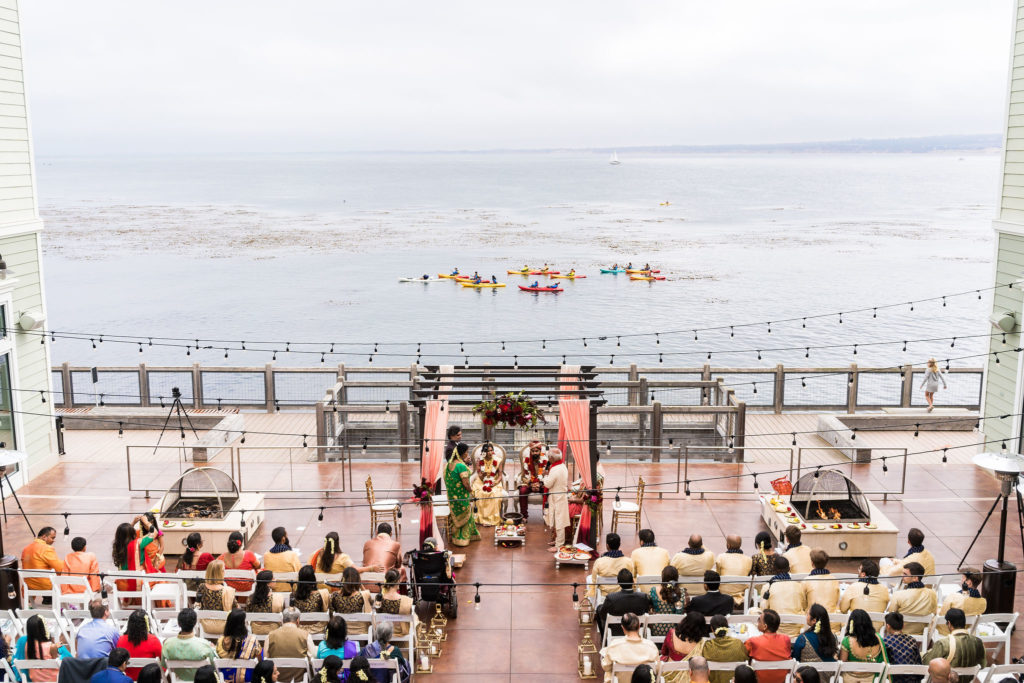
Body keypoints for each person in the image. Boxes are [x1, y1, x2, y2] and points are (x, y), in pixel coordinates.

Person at [923, 609, 985, 683]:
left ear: (949, 623)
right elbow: (983, 665)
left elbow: (927, 663)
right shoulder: (978, 642)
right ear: (964, 623)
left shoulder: (943, 644)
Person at [600, 613, 659, 683]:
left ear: (623, 628)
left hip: (621, 681)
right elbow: (657, 669)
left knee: (608, 672)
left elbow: (606, 666)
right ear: (639, 626)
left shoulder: (615, 645)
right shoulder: (651, 646)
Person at [161, 609, 217, 683]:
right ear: (195, 623)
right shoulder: (204, 645)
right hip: (200, 680)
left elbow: (164, 665)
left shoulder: (168, 644)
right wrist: (213, 648)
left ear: (178, 624)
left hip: (179, 679)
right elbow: (213, 665)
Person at [445, 440, 481, 547]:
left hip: (452, 496)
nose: (467, 453)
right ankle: (462, 539)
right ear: (463, 453)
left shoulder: (449, 464)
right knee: (465, 514)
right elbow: (465, 483)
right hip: (462, 496)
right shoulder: (460, 466)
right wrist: (471, 491)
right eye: (467, 452)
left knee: (456, 515)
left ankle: (456, 537)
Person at [15, 614, 70, 682]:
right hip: (53, 680)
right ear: (44, 629)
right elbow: (56, 664)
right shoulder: (51, 646)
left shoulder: (27, 645)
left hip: (35, 680)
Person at [759, 556, 806, 636]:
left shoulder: (767, 587)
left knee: (753, 611)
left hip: (774, 629)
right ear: (789, 569)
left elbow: (763, 609)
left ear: (774, 569)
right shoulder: (799, 586)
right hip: (795, 630)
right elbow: (804, 605)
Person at [887, 562, 938, 635]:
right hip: (922, 632)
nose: (902, 576)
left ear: (915, 578)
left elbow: (890, 614)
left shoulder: (898, 594)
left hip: (900, 633)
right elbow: (934, 613)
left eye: (905, 574)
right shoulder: (932, 594)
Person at [597, 569, 652, 635]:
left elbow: (603, 615)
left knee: (599, 610)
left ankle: (604, 639)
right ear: (633, 581)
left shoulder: (611, 598)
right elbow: (646, 611)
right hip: (637, 630)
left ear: (618, 583)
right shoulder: (643, 597)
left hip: (616, 631)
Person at [266, 608, 314, 683]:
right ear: (298, 620)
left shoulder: (270, 635)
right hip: (299, 679)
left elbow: (266, 657)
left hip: (277, 679)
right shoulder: (306, 635)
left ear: (282, 619)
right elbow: (312, 659)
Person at [744, 609, 792, 683]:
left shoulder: (753, 641)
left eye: (759, 620)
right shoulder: (786, 639)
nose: (757, 622)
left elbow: (743, 655)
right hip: (781, 680)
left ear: (765, 626)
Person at [839, 609, 886, 683]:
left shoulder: (847, 641)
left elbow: (842, 663)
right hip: (871, 679)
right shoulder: (878, 639)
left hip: (850, 679)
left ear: (852, 624)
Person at [659, 612, 708, 683]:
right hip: (689, 677)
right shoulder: (702, 643)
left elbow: (664, 652)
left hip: (668, 672)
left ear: (685, 622)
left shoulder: (671, 633)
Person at [215, 609, 262, 683]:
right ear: (242, 624)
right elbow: (260, 660)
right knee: (260, 652)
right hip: (246, 678)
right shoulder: (252, 641)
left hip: (225, 677)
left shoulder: (220, 641)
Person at [935, 568, 986, 636]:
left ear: (969, 582)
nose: (961, 580)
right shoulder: (983, 603)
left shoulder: (954, 597)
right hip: (965, 632)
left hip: (946, 631)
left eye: (963, 578)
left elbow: (942, 615)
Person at [839, 559, 890, 626]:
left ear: (863, 574)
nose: (858, 571)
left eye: (859, 569)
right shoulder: (885, 590)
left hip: (855, 630)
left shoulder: (853, 587)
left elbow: (843, 609)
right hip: (875, 632)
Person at [196, 560, 238, 636]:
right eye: (224, 570)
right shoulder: (228, 590)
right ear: (220, 572)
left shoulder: (201, 587)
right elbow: (236, 608)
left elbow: (198, 605)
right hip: (224, 626)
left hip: (206, 626)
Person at [115, 609, 162, 679]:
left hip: (128, 678)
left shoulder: (121, 640)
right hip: (149, 679)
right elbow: (162, 662)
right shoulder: (153, 640)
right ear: (146, 625)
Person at [330, 567, 373, 638]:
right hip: (359, 630)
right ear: (357, 580)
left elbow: (331, 613)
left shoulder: (335, 595)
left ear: (343, 579)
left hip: (340, 630)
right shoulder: (363, 595)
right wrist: (360, 584)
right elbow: (371, 603)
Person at [701, 615, 746, 683]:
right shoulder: (738, 643)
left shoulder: (707, 646)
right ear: (727, 627)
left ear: (712, 629)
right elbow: (745, 659)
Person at [21, 527, 63, 598]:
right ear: (44, 537)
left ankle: (46, 600)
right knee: (64, 578)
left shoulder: (26, 549)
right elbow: (60, 569)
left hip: (29, 585)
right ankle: (50, 599)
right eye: (52, 538)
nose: (53, 541)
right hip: (44, 585)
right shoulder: (47, 549)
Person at [470, 442, 506, 526]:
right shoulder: (479, 461)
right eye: (488, 451)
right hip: (481, 481)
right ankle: (482, 519)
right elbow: (480, 475)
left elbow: (500, 475)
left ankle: (493, 519)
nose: (490, 453)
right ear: (484, 452)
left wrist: (496, 482)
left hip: (494, 480)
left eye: (491, 451)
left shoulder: (498, 460)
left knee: (494, 493)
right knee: (481, 493)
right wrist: (484, 477)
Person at [590, 533, 635, 597]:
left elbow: (594, 581)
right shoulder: (628, 561)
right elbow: (632, 580)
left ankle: (592, 605)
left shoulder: (599, 562)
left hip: (604, 595)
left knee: (589, 579)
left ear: (607, 545)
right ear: (619, 545)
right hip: (622, 595)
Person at [374, 569, 415, 640]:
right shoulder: (406, 600)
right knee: (415, 618)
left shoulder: (379, 599)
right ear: (398, 581)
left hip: (384, 631)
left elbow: (377, 613)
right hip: (400, 631)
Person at [882, 612, 923, 683]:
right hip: (912, 680)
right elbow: (918, 662)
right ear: (903, 626)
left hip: (893, 680)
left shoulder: (885, 641)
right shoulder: (912, 640)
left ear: (888, 626)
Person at [543, 447, 570, 550]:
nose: (548, 458)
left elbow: (548, 484)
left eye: (549, 456)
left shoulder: (555, 469)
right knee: (556, 520)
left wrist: (544, 476)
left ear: (552, 458)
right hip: (559, 497)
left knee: (559, 522)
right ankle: (557, 540)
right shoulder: (562, 466)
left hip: (558, 498)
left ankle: (559, 546)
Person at [646, 566, 685, 636]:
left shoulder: (653, 591)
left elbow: (647, 606)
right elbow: (679, 612)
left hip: (657, 630)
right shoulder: (681, 592)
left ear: (662, 577)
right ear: (676, 578)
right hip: (674, 632)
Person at [715, 535, 752, 608]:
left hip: (723, 592)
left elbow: (717, 576)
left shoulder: (721, 557)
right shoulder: (749, 560)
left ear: (728, 545)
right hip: (740, 593)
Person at [244, 570, 285, 635]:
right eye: (273, 578)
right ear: (268, 583)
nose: (275, 580)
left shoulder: (250, 598)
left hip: (256, 630)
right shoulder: (278, 598)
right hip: (273, 630)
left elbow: (248, 614)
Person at [290, 565, 328, 634]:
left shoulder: (293, 595)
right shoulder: (321, 594)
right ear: (313, 578)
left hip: (299, 628)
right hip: (316, 628)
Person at [803, 549, 840, 618]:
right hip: (832, 620)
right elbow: (836, 601)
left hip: (813, 621)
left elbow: (803, 604)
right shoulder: (834, 580)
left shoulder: (806, 581)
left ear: (812, 563)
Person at [517, 441, 548, 521]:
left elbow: (547, 475)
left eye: (536, 451)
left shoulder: (545, 461)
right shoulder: (526, 461)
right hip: (529, 483)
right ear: (530, 451)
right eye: (533, 451)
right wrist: (530, 484)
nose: (534, 453)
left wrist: (540, 484)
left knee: (547, 490)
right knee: (522, 491)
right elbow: (523, 476)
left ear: (540, 451)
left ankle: (546, 515)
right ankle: (524, 516)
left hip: (541, 483)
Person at [264, 527, 301, 593]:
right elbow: (299, 573)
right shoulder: (292, 555)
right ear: (283, 539)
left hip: (273, 589)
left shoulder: (266, 555)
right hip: (290, 589)